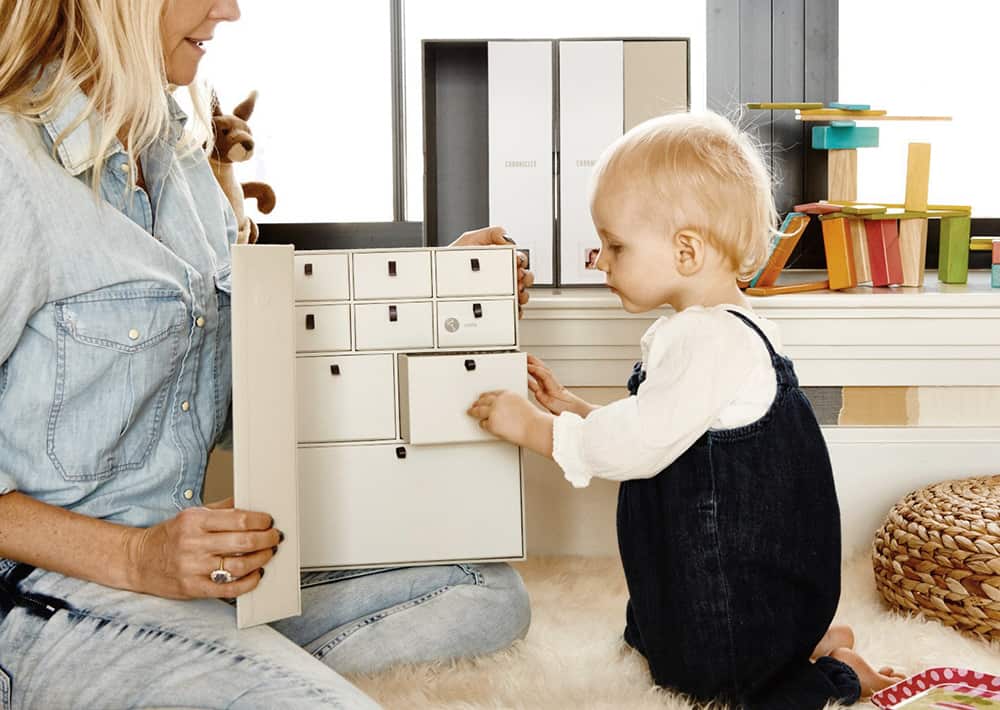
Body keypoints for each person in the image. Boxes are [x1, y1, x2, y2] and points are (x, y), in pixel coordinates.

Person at [0, 1, 531, 707]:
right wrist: (135, 558)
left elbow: (242, 393)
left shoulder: (182, 160)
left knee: (485, 590)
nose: (233, 9)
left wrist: (446, 294)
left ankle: (226, 667)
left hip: (192, 559)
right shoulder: (14, 168)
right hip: (50, 590)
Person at [467, 111, 901, 709]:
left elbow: (641, 442)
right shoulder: (714, 332)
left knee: (714, 680)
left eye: (616, 245)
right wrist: (575, 409)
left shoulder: (707, 340)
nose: (602, 260)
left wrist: (536, 427)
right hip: (724, 583)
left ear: (687, 250)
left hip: (728, 596)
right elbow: (672, 431)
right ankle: (798, 637)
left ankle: (830, 670)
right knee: (656, 632)